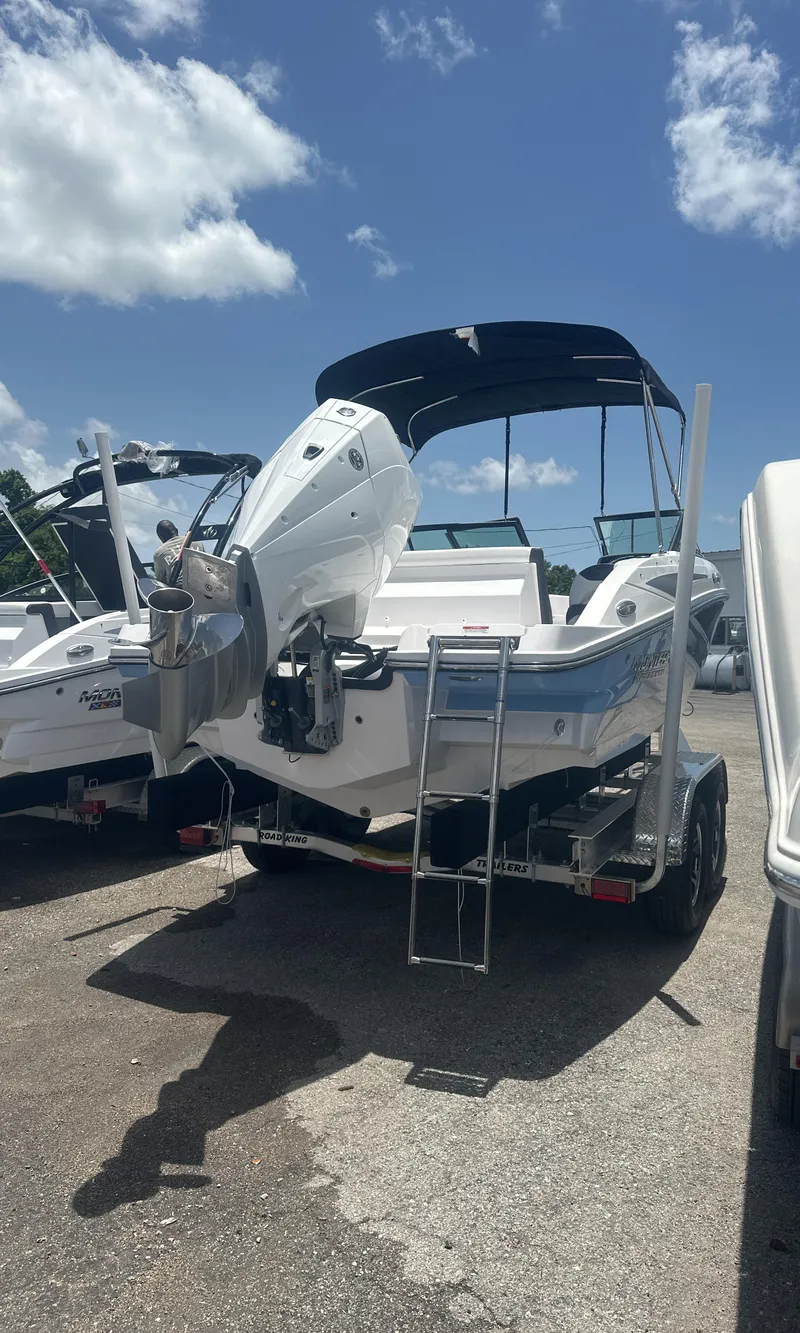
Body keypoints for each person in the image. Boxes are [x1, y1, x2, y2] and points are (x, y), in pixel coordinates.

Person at [153, 519, 204, 585]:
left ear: (161, 537)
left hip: (181, 588)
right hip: (204, 585)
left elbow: (160, 581)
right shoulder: (196, 542)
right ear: (176, 530)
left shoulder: (159, 553)